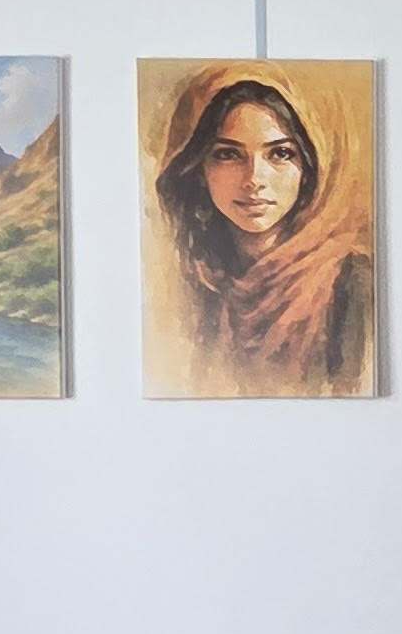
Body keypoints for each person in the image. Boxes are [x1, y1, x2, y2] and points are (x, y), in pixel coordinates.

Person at [145, 70, 376, 395]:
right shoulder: (189, 283)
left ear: (312, 168)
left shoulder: (353, 284)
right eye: (228, 154)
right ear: (198, 169)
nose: (254, 179)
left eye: (280, 154)